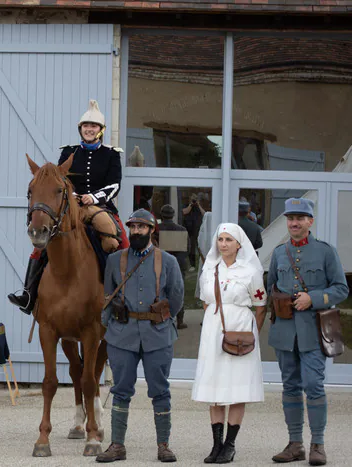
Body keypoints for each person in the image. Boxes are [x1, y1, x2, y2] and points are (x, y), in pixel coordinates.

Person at [8, 99, 128, 314]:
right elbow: (59, 180)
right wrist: (73, 196)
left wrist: (94, 197)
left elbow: (115, 184)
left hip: (99, 206)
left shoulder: (111, 154)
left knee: (117, 240)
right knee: (41, 242)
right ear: (80, 129)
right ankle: (28, 294)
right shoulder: (68, 152)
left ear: (101, 130)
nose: (89, 129)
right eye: (85, 126)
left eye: (94, 126)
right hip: (71, 206)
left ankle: (118, 293)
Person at [97, 209, 184, 463]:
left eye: (141, 227)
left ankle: (163, 445)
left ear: (151, 230)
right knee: (121, 389)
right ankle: (117, 446)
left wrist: (160, 317)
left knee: (160, 390)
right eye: (133, 227)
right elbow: (108, 294)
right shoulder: (115, 260)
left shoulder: (168, 261)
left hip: (157, 334)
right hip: (122, 334)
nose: (136, 231)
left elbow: (177, 298)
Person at [267, 198, 348, 466]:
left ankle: (318, 444)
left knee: (313, 386)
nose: (294, 222)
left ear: (310, 221)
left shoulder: (326, 251)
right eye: (290, 218)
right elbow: (272, 289)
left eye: (300, 218)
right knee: (290, 387)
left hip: (314, 331)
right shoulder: (279, 253)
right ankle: (294, 444)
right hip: (285, 333)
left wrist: (312, 298)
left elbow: (341, 289)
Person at [192, 223, 268, 464]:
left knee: (237, 389)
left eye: (228, 239)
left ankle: (230, 445)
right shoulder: (209, 270)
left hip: (241, 332)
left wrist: (249, 332)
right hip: (214, 331)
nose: (223, 244)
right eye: (220, 239)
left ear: (239, 244)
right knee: (214, 389)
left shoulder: (250, 271)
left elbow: (260, 306)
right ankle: (216, 445)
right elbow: (206, 302)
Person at [157, 204, 189, 329]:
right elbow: (187, 247)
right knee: (178, 290)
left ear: (162, 215)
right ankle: (180, 320)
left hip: (160, 263)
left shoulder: (156, 229)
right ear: (173, 215)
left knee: (159, 291)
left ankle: (161, 316)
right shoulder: (181, 229)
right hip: (179, 263)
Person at [183, 193, 206, 270]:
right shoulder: (187, 205)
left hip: (198, 230)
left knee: (200, 247)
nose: (194, 200)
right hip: (189, 230)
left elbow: (204, 214)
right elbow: (184, 212)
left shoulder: (199, 207)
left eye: (195, 199)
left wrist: (198, 205)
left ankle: (202, 263)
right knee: (191, 248)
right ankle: (192, 265)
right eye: (193, 198)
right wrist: (191, 205)